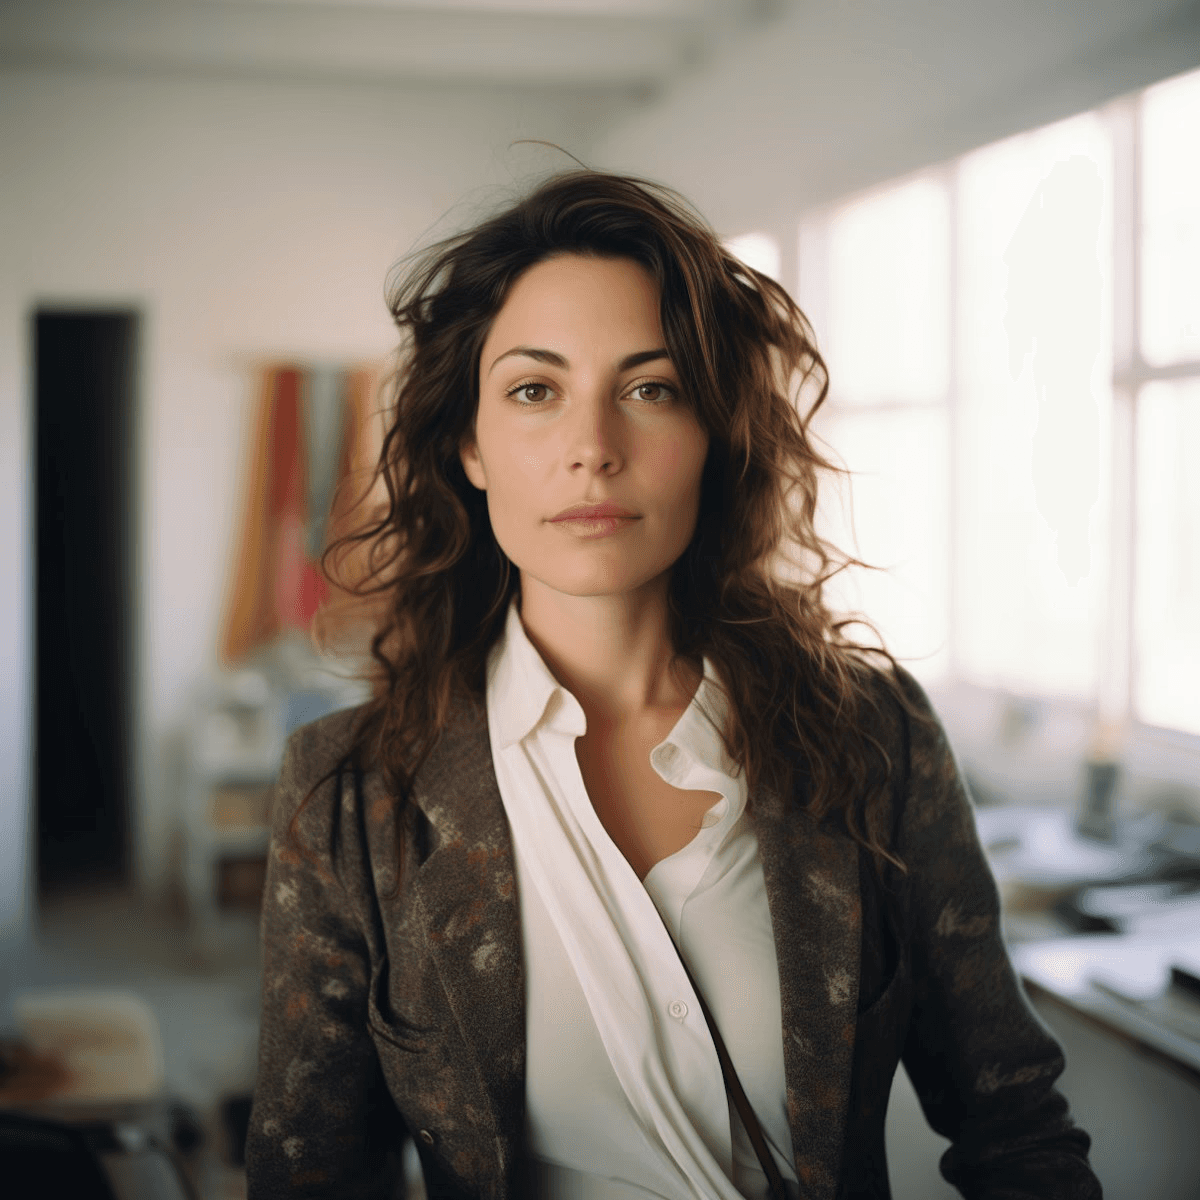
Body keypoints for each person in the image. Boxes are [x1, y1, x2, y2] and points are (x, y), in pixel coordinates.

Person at [244, 170, 1102, 1200]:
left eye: (651, 389)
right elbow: (311, 1178)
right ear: (469, 446)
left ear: (714, 433)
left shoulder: (876, 736)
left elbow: (1016, 1127)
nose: (593, 451)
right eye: (534, 390)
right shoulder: (350, 791)